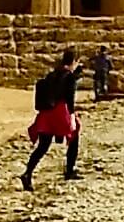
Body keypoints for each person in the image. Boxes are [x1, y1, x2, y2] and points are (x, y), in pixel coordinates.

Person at [22, 49, 81, 189]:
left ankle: (27, 173)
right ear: (74, 62)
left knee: (43, 146)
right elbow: (70, 99)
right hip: (60, 112)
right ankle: (70, 170)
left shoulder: (52, 74)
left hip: (46, 113)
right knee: (74, 135)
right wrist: (72, 116)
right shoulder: (70, 76)